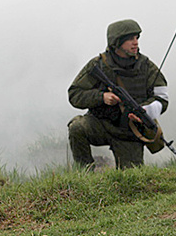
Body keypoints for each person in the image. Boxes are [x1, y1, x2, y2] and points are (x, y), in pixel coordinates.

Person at [67, 19, 169, 169]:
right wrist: (101, 97)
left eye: (137, 38)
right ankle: (85, 173)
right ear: (117, 42)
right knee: (77, 128)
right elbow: (75, 94)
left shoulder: (146, 67)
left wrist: (145, 110)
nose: (136, 43)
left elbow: (162, 98)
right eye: (130, 39)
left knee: (132, 180)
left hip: (128, 133)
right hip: (101, 124)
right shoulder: (98, 65)